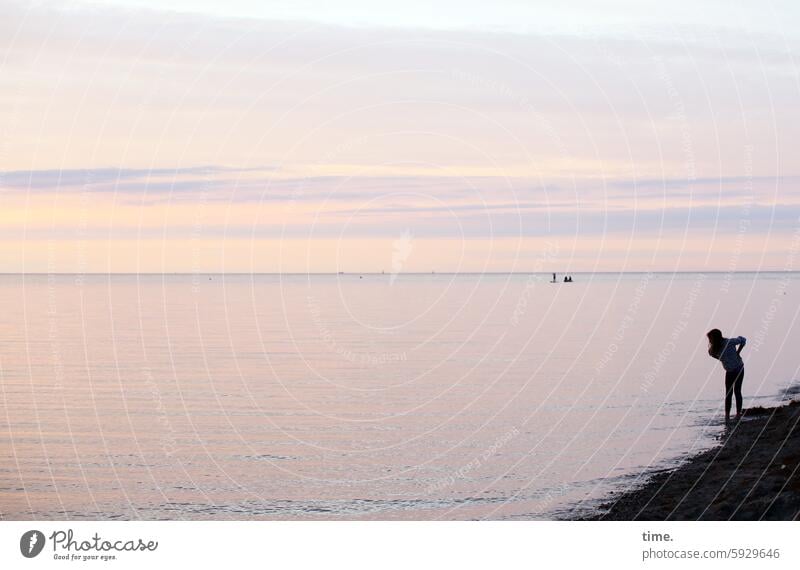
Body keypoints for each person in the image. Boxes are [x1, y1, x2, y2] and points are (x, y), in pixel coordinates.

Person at [706, 328, 746, 422]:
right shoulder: (714, 349)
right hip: (729, 370)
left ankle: (738, 414)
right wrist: (721, 358)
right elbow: (711, 354)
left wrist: (738, 352)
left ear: (716, 337)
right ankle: (727, 416)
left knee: (737, 391)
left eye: (710, 338)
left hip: (738, 368)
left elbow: (743, 340)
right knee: (728, 393)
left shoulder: (729, 342)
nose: (709, 341)